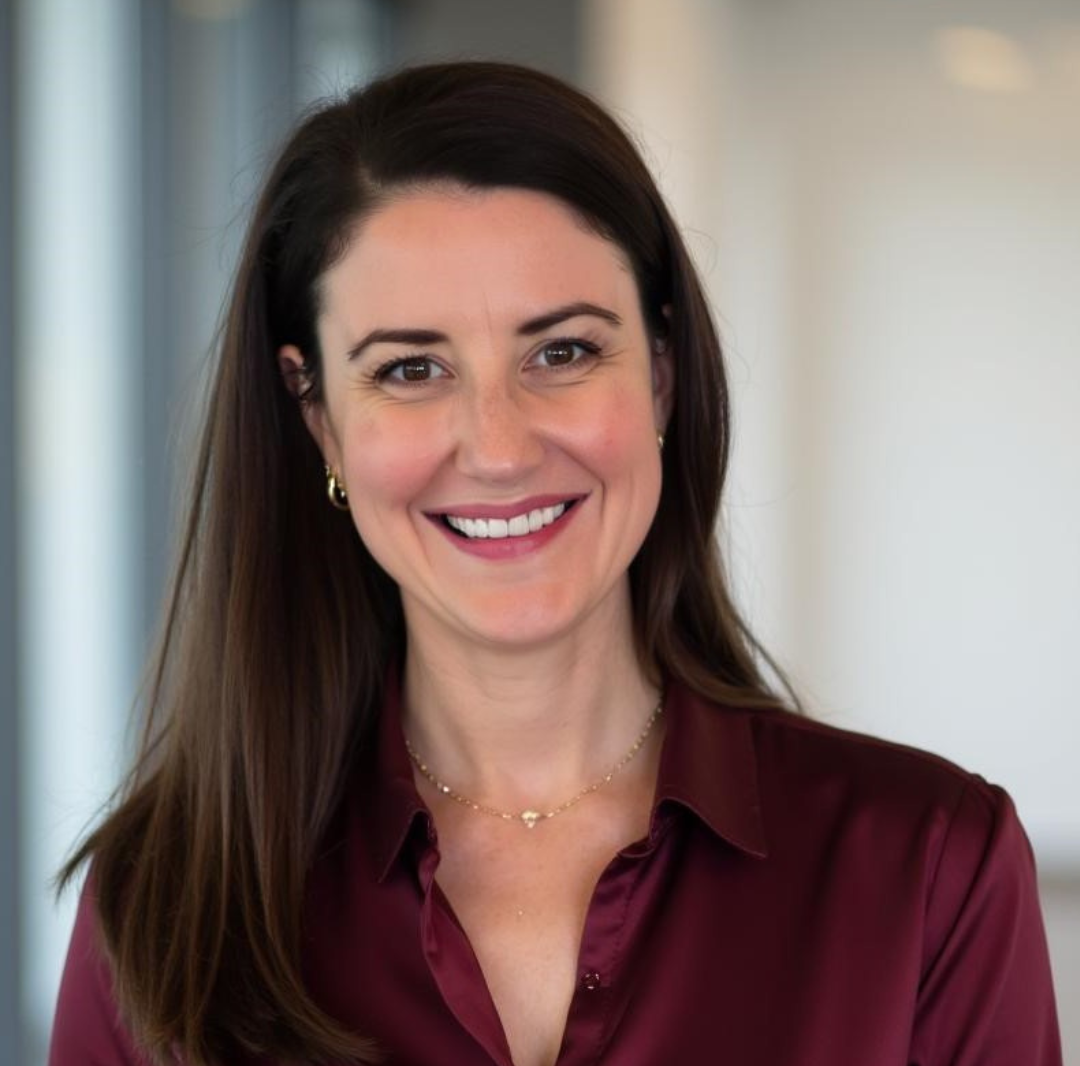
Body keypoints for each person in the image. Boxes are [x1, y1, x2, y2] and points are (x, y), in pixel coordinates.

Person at [50, 61, 1060, 1066]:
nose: (498, 447)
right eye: (410, 369)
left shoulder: (931, 866)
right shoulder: (162, 906)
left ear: (661, 373)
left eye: (563, 352)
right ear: (318, 418)